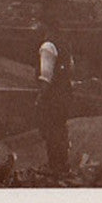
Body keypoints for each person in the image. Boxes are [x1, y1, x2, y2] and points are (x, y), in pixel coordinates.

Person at [34, 21, 74, 176]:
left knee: (51, 131)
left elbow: (46, 76)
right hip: (65, 94)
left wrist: (40, 98)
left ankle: (53, 166)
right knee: (61, 129)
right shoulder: (64, 45)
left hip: (52, 96)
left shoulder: (47, 47)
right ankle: (62, 164)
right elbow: (71, 69)